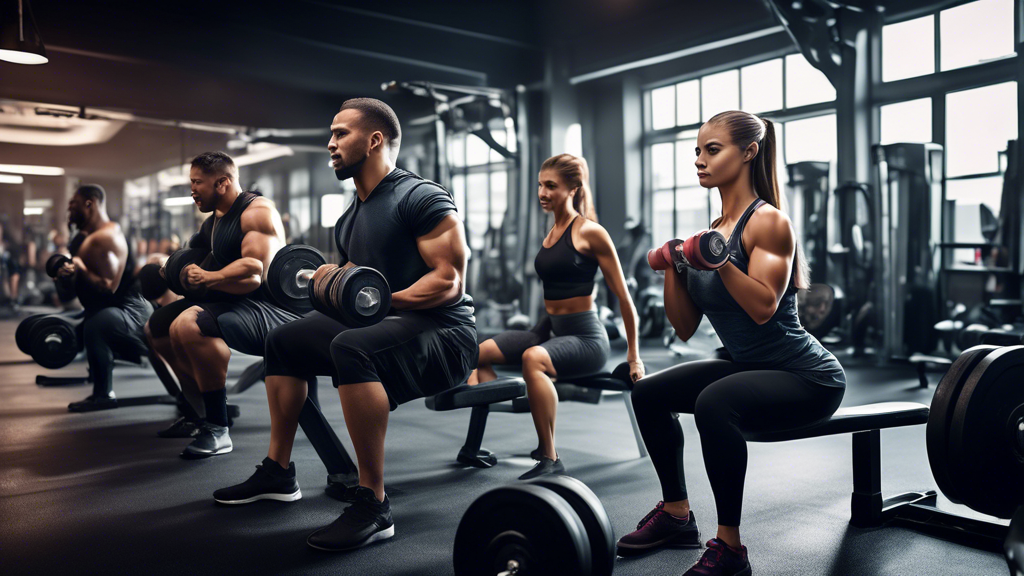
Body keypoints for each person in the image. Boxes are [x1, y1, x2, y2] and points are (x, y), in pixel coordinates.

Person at [213, 98, 476, 554]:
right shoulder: (350, 215)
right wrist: (326, 284)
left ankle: (373, 501)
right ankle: (278, 471)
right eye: (331, 135)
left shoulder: (420, 196)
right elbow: (354, 283)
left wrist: (378, 302)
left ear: (374, 140)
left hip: (446, 335)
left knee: (352, 345)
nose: (330, 144)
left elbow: (449, 281)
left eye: (341, 134)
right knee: (284, 340)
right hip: (390, 325)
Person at [615, 111, 846, 576]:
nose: (700, 160)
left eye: (712, 150)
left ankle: (730, 549)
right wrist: (673, 268)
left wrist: (718, 263)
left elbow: (762, 307)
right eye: (697, 151)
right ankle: (677, 515)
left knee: (713, 402)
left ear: (748, 152)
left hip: (807, 377)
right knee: (648, 393)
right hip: (748, 365)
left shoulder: (769, 223)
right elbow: (683, 326)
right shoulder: (714, 228)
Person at [467, 153, 645, 479]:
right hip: (550, 330)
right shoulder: (551, 232)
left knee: (533, 359)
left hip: (587, 339)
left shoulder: (590, 232)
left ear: (574, 188)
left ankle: (549, 457)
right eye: (540, 185)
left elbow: (624, 299)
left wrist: (634, 357)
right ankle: (498, 421)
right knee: (480, 352)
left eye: (551, 186)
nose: (542, 193)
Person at [144, 151, 299, 457]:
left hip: (264, 306)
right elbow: (195, 251)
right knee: (157, 328)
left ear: (223, 183)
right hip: (229, 297)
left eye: (197, 182)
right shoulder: (215, 217)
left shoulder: (256, 212)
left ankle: (218, 427)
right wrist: (168, 265)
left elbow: (255, 271)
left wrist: (208, 276)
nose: (192, 189)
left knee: (188, 325)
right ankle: (198, 411)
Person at [56, 185, 154, 412]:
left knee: (97, 324)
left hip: (132, 313)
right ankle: (100, 385)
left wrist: (80, 267)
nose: (69, 212)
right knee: (86, 323)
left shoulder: (104, 238)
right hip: (114, 308)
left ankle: (103, 394)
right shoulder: (88, 237)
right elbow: (73, 291)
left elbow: (108, 287)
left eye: (73, 205)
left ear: (89, 204)